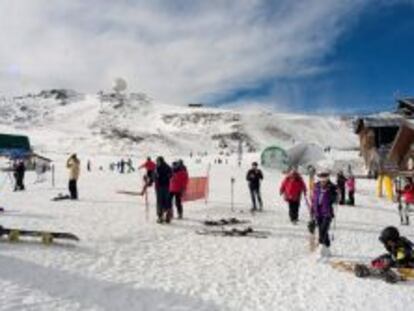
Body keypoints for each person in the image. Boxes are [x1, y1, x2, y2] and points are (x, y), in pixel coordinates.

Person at [310, 170, 338, 257]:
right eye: (321, 180)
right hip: (318, 213)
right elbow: (314, 199)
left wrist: (335, 195)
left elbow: (336, 199)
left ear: (327, 179)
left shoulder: (332, 187)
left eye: (325, 180)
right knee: (322, 231)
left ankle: (321, 248)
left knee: (323, 230)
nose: (323, 181)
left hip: (327, 213)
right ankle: (327, 248)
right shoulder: (316, 186)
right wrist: (312, 210)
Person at [154, 156, 172, 223]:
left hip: (164, 187)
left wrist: (165, 177)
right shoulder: (157, 168)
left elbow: (171, 174)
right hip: (160, 187)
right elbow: (154, 176)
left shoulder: (166, 167)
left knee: (162, 202)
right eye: (157, 161)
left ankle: (164, 216)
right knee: (163, 202)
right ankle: (163, 216)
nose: (157, 162)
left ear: (161, 161)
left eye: (158, 161)